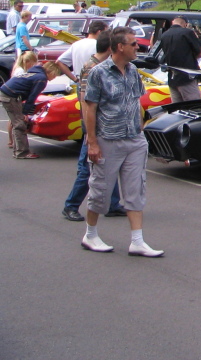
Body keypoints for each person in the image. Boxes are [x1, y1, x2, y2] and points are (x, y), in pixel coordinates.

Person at [81, 26, 164, 257]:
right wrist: (92, 142)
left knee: (135, 188)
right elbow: (90, 108)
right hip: (109, 139)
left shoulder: (133, 70)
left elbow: (137, 102)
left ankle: (137, 240)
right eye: (134, 44)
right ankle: (90, 234)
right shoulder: (99, 73)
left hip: (134, 139)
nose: (138, 47)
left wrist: (142, 131)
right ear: (120, 47)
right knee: (101, 189)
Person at [62, 31, 125, 222]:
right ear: (109, 48)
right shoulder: (93, 68)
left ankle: (113, 204)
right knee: (87, 167)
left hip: (105, 125)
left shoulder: (102, 66)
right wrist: (90, 134)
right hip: (94, 126)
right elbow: (86, 102)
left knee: (110, 164)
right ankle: (71, 205)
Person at [0, 61, 61, 159]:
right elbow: (32, 97)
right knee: (20, 124)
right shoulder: (41, 79)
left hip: (7, 91)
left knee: (16, 122)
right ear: (51, 72)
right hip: (11, 96)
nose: (53, 79)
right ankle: (22, 152)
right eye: (54, 76)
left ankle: (18, 150)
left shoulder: (34, 72)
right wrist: (26, 112)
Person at [160, 16, 201, 103]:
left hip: (172, 77)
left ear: (173, 22)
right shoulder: (187, 32)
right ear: (185, 24)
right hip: (187, 77)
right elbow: (200, 54)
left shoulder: (164, 35)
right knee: (194, 107)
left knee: (177, 109)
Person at [56, 20, 108, 84]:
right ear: (99, 32)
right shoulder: (99, 45)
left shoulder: (76, 44)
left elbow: (59, 62)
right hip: (95, 81)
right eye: (105, 33)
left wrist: (74, 79)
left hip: (80, 81)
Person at [7, 51, 37, 149]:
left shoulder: (18, 68)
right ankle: (14, 142)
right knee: (16, 121)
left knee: (12, 119)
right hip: (14, 96)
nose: (33, 65)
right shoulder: (20, 71)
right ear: (28, 61)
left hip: (12, 95)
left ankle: (11, 140)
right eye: (33, 63)